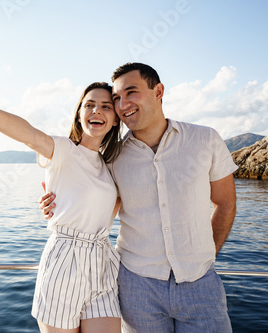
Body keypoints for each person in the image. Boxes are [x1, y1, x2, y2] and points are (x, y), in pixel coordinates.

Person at [39, 63, 238, 333]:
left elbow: (225, 203)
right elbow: (91, 201)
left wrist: (206, 255)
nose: (123, 104)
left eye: (131, 92)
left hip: (200, 285)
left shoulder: (205, 139)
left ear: (158, 91)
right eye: (117, 98)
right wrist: (57, 205)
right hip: (136, 287)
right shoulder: (112, 158)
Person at [0, 75, 123, 333]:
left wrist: (62, 207)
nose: (97, 111)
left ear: (116, 118)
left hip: (102, 262)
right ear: (79, 114)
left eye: (106, 106)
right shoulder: (63, 150)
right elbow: (26, 133)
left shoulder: (111, 167)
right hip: (65, 263)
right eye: (90, 104)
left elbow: (106, 209)